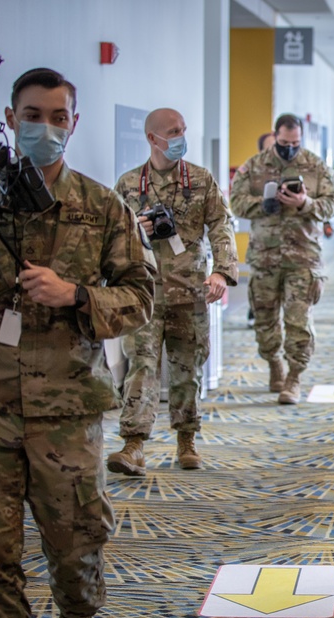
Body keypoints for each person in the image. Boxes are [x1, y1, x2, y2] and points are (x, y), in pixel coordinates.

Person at [0, 68, 155, 618]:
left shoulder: (103, 206)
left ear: (74, 124)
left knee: (75, 539)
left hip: (68, 407)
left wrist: (77, 295)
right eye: (33, 115)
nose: (46, 128)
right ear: (10, 119)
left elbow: (141, 296)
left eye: (58, 117)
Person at [105, 108, 239, 477]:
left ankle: (186, 440)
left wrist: (222, 273)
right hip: (143, 292)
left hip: (190, 290)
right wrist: (137, 230)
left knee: (186, 369)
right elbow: (112, 237)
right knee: (142, 367)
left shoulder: (200, 179)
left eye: (183, 129)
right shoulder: (129, 184)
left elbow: (221, 226)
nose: (181, 136)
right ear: (153, 138)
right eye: (173, 131)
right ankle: (133, 444)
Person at [230, 113, 334, 404]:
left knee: (298, 321)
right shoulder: (254, 166)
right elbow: (236, 202)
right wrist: (262, 205)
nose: (290, 147)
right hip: (264, 258)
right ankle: (274, 364)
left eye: (295, 142)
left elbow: (332, 204)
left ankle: (294, 377)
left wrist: (305, 203)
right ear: (275, 136)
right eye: (284, 142)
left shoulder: (315, 165)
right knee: (265, 322)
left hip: (303, 258)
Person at [248, 132, 278, 325]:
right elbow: (239, 202)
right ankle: (254, 312)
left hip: (292, 246)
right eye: (268, 147)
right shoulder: (252, 171)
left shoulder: (292, 171)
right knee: (260, 284)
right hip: (262, 242)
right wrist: (263, 202)